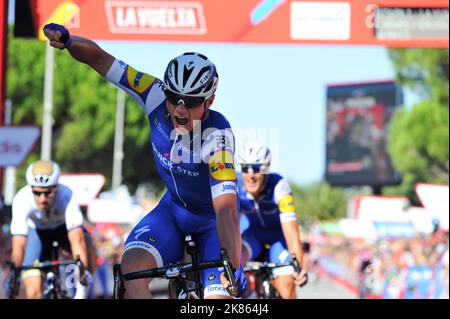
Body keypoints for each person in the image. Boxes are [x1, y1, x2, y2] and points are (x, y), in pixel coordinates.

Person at [42, 23, 246, 299]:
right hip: (171, 212)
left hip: (210, 223)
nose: (180, 109)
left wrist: (233, 266)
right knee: (131, 271)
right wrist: (68, 41)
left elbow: (226, 212)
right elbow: (103, 60)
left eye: (191, 101)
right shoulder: (154, 93)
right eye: (175, 98)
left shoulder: (217, 137)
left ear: (209, 101)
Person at [4, 160, 93, 299]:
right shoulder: (21, 199)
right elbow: (19, 244)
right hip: (37, 233)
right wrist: (15, 274)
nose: (42, 199)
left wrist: (81, 290)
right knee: (33, 292)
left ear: (56, 188)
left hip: (63, 230)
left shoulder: (67, 196)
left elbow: (77, 240)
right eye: (37, 193)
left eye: (48, 192)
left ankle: (85, 289)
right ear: (31, 189)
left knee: (86, 242)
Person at [237, 141, 308, 299]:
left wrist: (298, 267)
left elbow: (292, 233)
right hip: (253, 236)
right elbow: (229, 224)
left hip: (278, 239)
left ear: (266, 168)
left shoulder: (279, 186)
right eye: (245, 168)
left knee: (286, 288)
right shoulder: (235, 185)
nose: (250, 175)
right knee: (235, 266)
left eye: (256, 168)